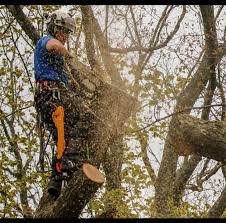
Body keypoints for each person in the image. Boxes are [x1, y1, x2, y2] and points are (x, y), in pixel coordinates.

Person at [34, 10, 90, 198]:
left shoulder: (61, 69)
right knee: (87, 116)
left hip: (50, 97)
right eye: (64, 32)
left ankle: (56, 183)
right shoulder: (46, 41)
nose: (66, 37)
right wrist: (70, 57)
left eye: (68, 33)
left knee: (63, 138)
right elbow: (54, 45)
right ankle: (71, 161)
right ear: (55, 28)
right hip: (51, 94)